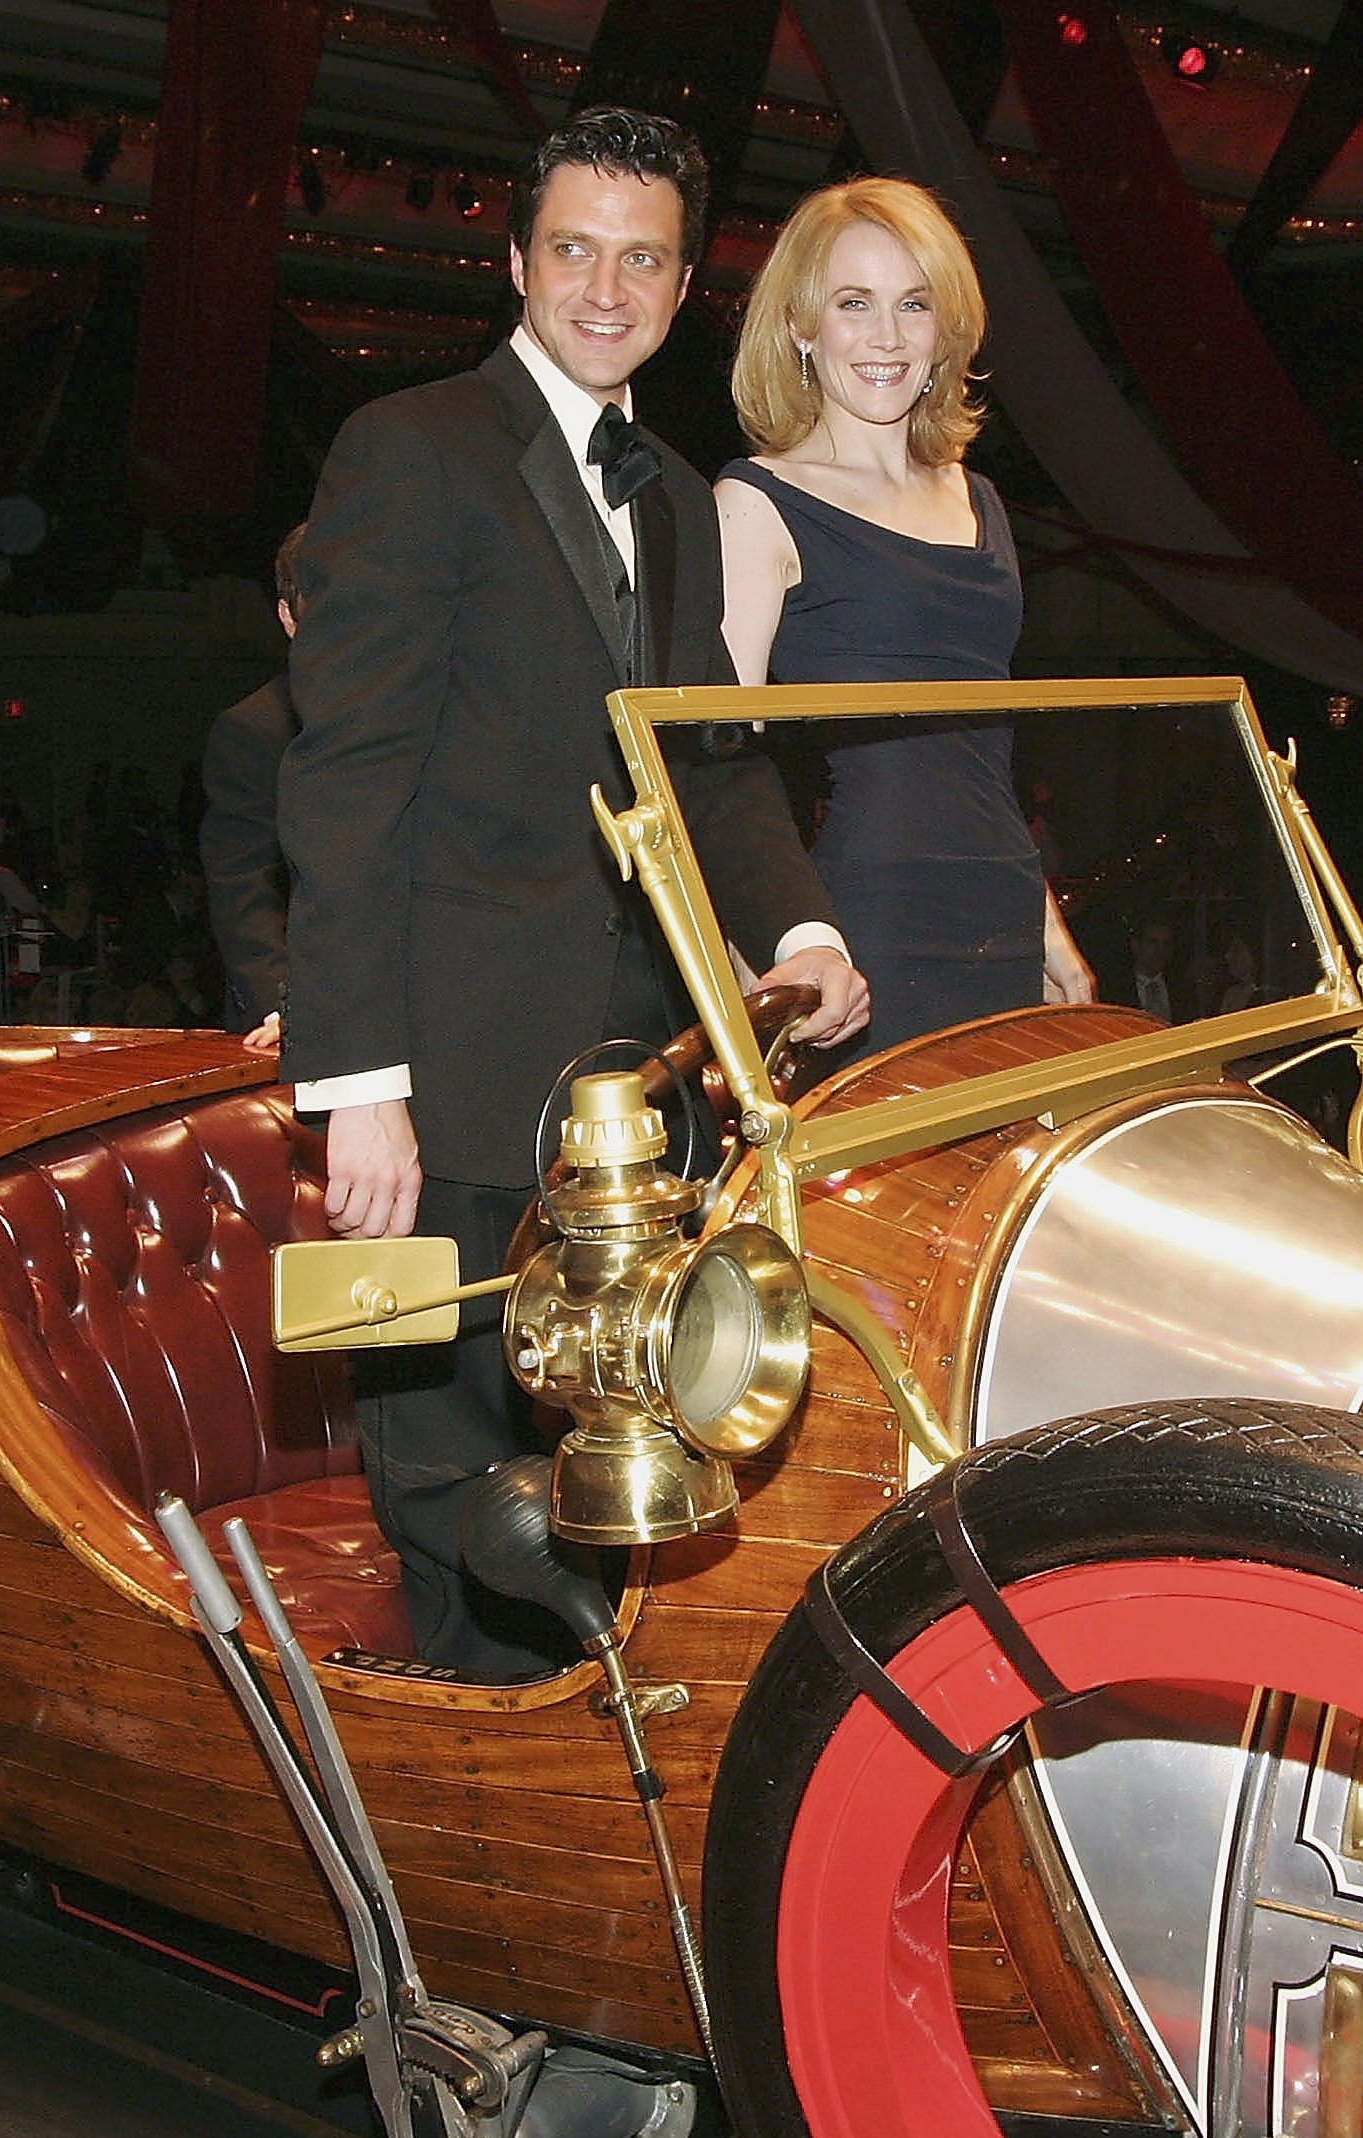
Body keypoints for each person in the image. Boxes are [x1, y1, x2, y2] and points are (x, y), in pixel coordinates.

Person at [279, 107, 867, 1673]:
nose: (607, 289)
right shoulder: (406, 448)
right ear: (517, 262)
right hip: (434, 1083)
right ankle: (465, 1858)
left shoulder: (677, 492)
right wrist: (357, 1087)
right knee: (449, 1501)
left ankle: (601, 1792)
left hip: (631, 1097)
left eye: (644, 261)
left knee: (618, 1484)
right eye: (574, 251)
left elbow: (713, 764)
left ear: (684, 291)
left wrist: (801, 930)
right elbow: (345, 783)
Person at [714, 175, 1089, 1050]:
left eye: (913, 305)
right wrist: (752, 979)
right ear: (803, 327)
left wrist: (1044, 923)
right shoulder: (757, 502)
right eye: (854, 303)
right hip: (869, 930)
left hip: (1002, 908)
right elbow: (714, 770)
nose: (886, 337)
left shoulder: (981, 501)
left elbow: (977, 759)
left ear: (944, 329)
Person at [202, 523, 308, 1052]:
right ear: (288, 616)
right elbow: (244, 882)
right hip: (296, 1017)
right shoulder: (256, 728)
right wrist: (282, 1003)